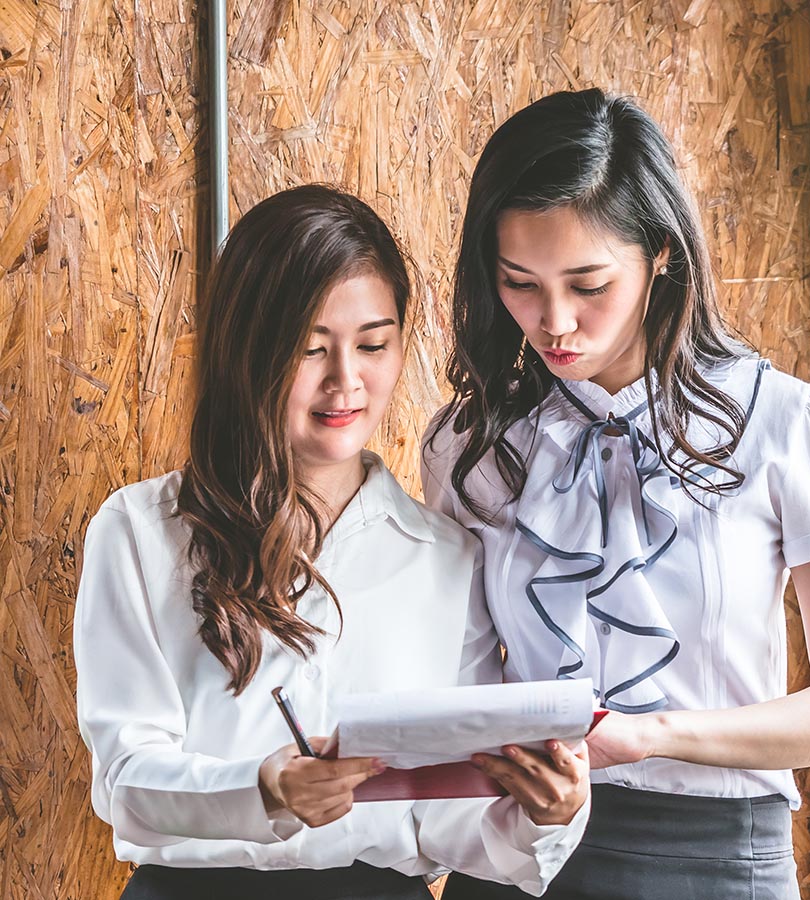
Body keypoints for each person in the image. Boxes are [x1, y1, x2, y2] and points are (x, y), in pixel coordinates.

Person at [421, 90, 810, 899]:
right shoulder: (471, 447)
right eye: (520, 283)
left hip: (714, 858)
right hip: (515, 852)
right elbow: (456, 675)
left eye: (588, 284)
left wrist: (655, 736)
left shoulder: (786, 428)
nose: (554, 322)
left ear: (662, 254)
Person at [74, 185, 590, 900]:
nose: (346, 382)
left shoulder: (446, 557)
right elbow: (126, 781)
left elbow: (449, 824)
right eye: (311, 349)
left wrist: (546, 814)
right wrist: (267, 789)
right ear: (248, 350)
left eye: (373, 344)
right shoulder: (139, 532)